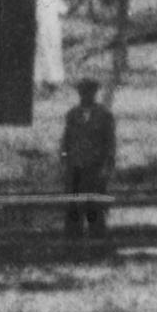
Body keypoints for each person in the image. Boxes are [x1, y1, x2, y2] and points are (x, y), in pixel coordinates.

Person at [60, 75, 117, 237]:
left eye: (89, 92)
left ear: (95, 93)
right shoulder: (72, 115)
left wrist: (107, 167)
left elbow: (110, 143)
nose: (85, 95)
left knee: (95, 208)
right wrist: (64, 161)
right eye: (82, 92)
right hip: (75, 168)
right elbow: (66, 141)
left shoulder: (104, 115)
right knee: (73, 209)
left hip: (95, 168)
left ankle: (97, 247)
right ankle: (72, 247)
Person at [32, 0, 68, 96]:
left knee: (41, 55)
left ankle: (39, 82)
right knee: (55, 53)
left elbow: (34, 16)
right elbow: (64, 10)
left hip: (42, 30)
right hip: (54, 29)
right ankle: (55, 82)